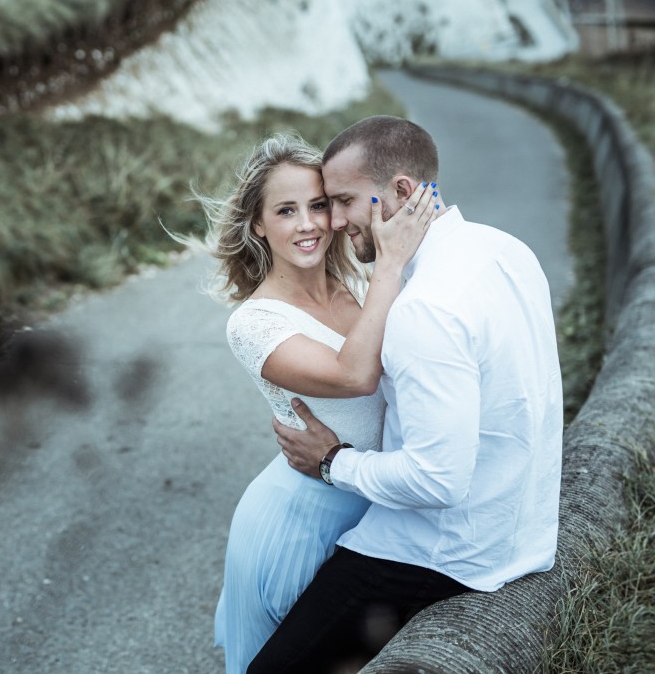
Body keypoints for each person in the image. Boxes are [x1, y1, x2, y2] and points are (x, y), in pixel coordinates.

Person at [246, 116, 564, 673]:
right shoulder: (504, 248)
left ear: (400, 192)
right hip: (523, 528)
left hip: (440, 551)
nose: (336, 222)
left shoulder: (424, 309)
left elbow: (436, 480)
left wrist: (331, 462)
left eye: (343, 201)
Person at [196, 131, 437, 674]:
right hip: (301, 522)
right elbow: (354, 376)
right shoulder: (254, 323)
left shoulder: (354, 288)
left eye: (320, 206)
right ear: (258, 224)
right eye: (286, 210)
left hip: (371, 502)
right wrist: (392, 263)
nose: (308, 224)